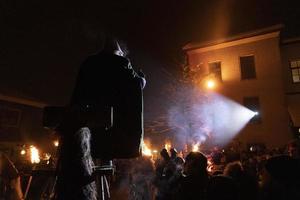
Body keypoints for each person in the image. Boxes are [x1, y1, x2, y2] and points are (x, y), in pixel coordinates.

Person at [54, 36, 146, 200]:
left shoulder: (89, 63)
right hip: (109, 135)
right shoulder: (121, 63)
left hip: (84, 133)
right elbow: (134, 84)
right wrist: (142, 80)